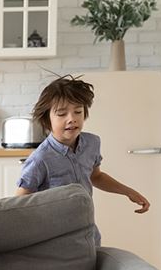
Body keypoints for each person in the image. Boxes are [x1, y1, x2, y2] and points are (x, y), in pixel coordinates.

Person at [15, 75, 150, 244]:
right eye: (62, 113)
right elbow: (21, 200)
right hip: (54, 238)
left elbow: (96, 176)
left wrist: (128, 192)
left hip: (87, 230)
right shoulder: (40, 159)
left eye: (78, 111)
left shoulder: (92, 143)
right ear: (47, 120)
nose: (72, 118)